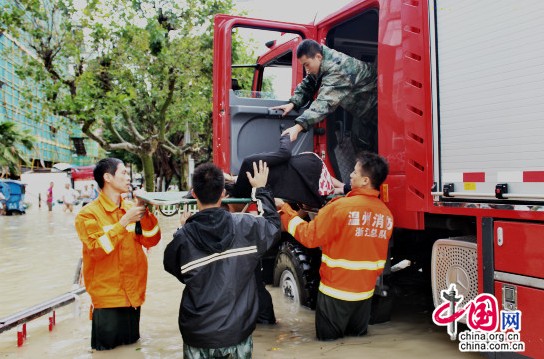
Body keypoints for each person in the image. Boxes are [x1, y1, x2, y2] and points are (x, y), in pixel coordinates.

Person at [164, 161, 280, 358]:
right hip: (236, 334)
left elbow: (175, 270)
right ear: (223, 194)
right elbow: (273, 226)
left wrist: (182, 229)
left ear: (194, 194)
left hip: (197, 336)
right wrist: (260, 190)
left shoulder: (182, 239)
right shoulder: (246, 226)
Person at [275, 152, 393, 341]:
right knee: (357, 344)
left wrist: (283, 210)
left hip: (335, 295)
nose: (350, 176)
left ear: (365, 180)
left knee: (328, 344)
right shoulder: (385, 214)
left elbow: (309, 237)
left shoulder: (340, 208)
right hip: (364, 296)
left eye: (354, 172)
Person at [74, 158, 161, 351]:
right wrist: (122, 223)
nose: (128, 177)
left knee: (132, 349)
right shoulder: (88, 214)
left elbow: (152, 239)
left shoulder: (131, 208)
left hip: (133, 296)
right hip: (108, 298)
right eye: (123, 173)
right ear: (108, 177)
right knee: (108, 353)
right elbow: (96, 249)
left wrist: (144, 211)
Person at [272, 39, 377, 152]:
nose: (306, 70)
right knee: (360, 141)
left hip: (377, 110)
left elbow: (324, 103)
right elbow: (309, 83)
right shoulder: (321, 62)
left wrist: (298, 127)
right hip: (363, 112)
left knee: (366, 145)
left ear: (318, 57)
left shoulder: (338, 68)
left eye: (307, 65)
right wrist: (293, 103)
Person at [226, 134, 342, 209]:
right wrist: (285, 136)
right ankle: (344, 186)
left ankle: (343, 188)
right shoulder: (249, 164)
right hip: (308, 169)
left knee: (330, 189)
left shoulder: (243, 193)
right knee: (320, 177)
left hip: (305, 194)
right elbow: (284, 154)